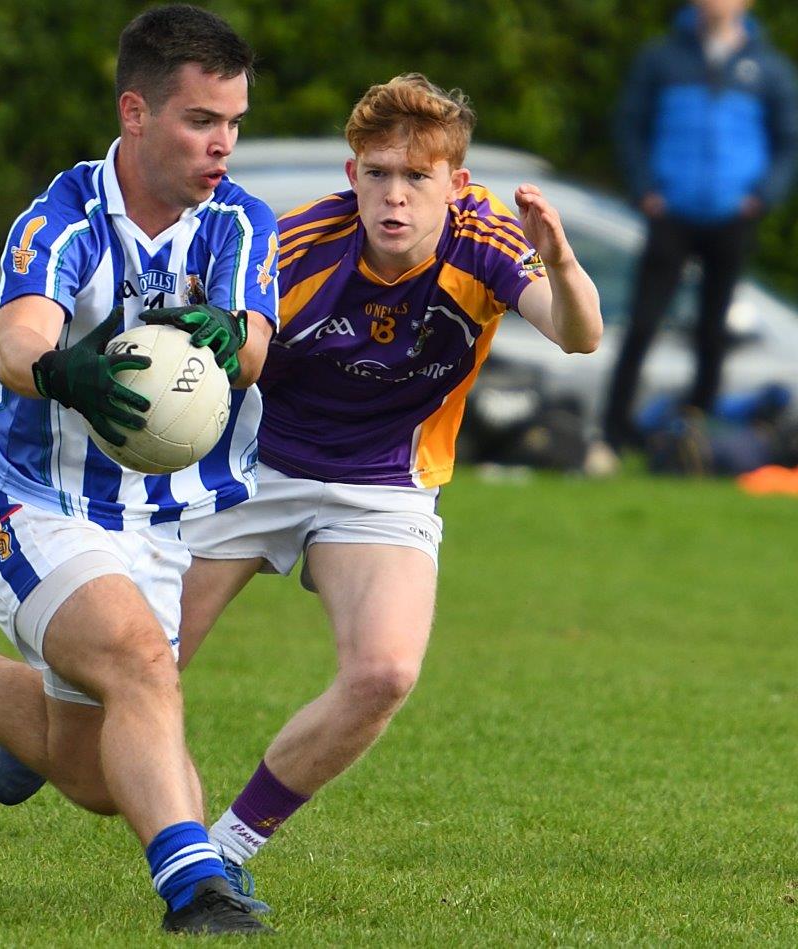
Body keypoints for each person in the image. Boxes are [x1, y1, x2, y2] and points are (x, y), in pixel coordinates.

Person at [0, 5, 278, 935]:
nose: (224, 145)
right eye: (203, 120)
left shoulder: (238, 220)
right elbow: (17, 341)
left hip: (160, 523)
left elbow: (251, 346)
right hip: (25, 501)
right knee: (139, 665)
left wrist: (226, 337)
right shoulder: (65, 213)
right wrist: (63, 370)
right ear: (135, 112)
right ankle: (197, 888)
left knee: (88, 773)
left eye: (235, 122)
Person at [158, 73, 603, 910]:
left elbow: (580, 335)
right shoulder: (296, 247)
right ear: (352, 174)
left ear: (456, 185)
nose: (394, 197)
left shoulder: (489, 241)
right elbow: (222, 352)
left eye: (417, 178)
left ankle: (226, 846)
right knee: (136, 672)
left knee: (386, 672)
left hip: (384, 485)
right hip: (253, 468)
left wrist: (565, 257)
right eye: (378, 174)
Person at [602, 0, 798, 453]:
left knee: (714, 329)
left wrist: (762, 195)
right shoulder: (663, 57)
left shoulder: (768, 67)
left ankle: (698, 434)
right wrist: (645, 189)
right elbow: (630, 125)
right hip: (672, 211)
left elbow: (788, 139)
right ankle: (615, 430)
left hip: (732, 215)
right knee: (645, 322)